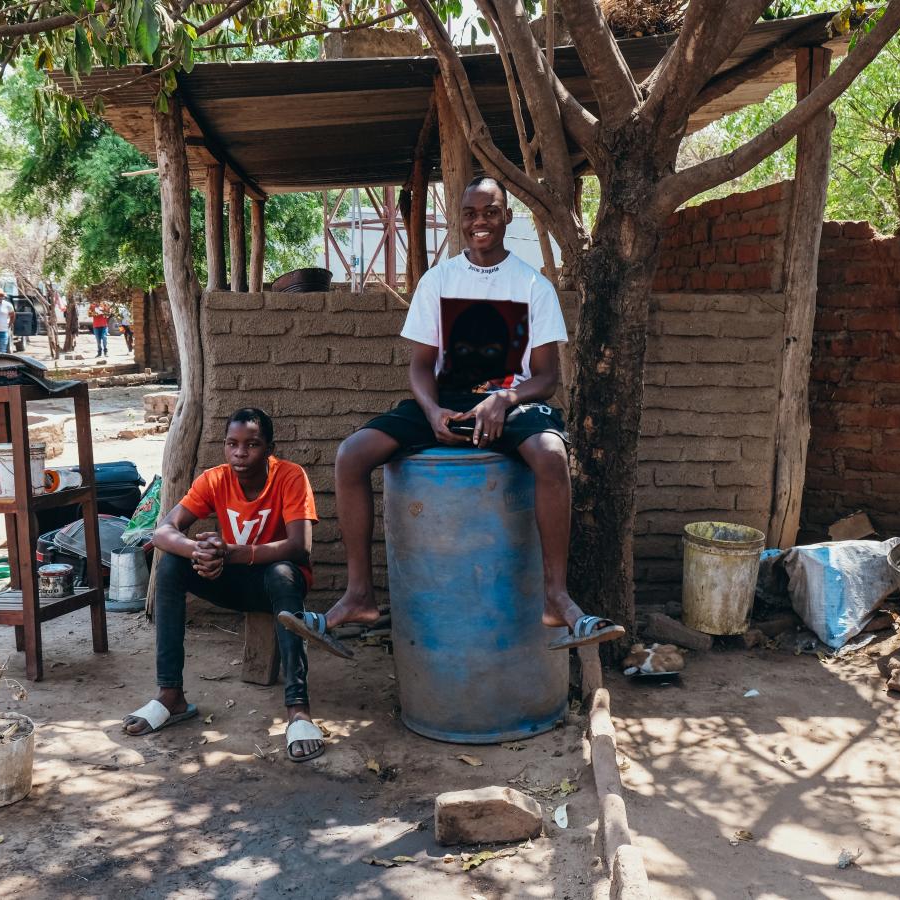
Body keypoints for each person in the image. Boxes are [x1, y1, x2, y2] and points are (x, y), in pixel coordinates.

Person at [280, 176, 625, 658]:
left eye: (490, 211)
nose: (479, 222)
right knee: (351, 455)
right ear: (459, 220)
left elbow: (547, 377)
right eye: (470, 213)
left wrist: (504, 400)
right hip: (447, 398)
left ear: (506, 216)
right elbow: (420, 366)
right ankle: (359, 596)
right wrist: (432, 409)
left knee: (550, 455)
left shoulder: (533, 285)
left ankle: (554, 596)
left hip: (513, 398)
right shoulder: (438, 281)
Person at [123, 408, 326, 762]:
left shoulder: (290, 477)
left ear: (269, 448)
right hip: (230, 580)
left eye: (252, 444)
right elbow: (163, 532)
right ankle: (171, 695)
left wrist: (232, 553)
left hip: (278, 584)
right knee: (171, 564)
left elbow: (300, 547)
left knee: (283, 571)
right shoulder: (214, 479)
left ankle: (298, 709)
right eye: (232, 444)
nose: (240, 453)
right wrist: (199, 550)